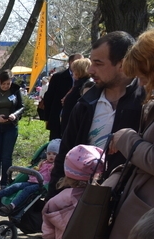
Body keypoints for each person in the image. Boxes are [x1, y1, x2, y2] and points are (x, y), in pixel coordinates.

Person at [100, 29, 154, 239]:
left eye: (143, 73)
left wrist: (127, 140)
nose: (141, 81)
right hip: (135, 215)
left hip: (144, 218)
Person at [51, 32, 144, 190]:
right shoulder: (85, 104)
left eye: (98, 63)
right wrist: (52, 196)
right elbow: (64, 154)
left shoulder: (145, 104)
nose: (91, 70)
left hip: (127, 205)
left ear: (122, 65)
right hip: (80, 201)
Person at [0, 138, 59, 214]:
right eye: (49, 154)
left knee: (26, 190)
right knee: (15, 185)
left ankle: (12, 206)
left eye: (54, 154)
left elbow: (53, 174)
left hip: (42, 185)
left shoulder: (55, 166)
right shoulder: (42, 162)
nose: (51, 156)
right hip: (32, 182)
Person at [43, 54, 82, 140]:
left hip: (76, 119)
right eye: (79, 61)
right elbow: (49, 97)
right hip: (58, 117)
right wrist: (47, 118)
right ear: (71, 62)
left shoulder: (85, 79)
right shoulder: (58, 77)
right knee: (55, 146)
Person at [60, 58, 92, 134]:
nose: (72, 73)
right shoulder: (78, 84)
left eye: (74, 70)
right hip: (69, 124)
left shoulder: (86, 85)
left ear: (79, 71)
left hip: (75, 127)